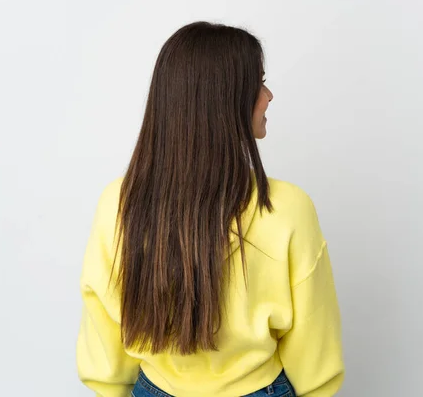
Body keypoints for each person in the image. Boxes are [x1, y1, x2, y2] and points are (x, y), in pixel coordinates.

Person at [76, 21, 344, 397]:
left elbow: (104, 334)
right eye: (258, 83)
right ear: (223, 98)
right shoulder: (286, 207)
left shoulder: (120, 202)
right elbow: (314, 348)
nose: (267, 95)